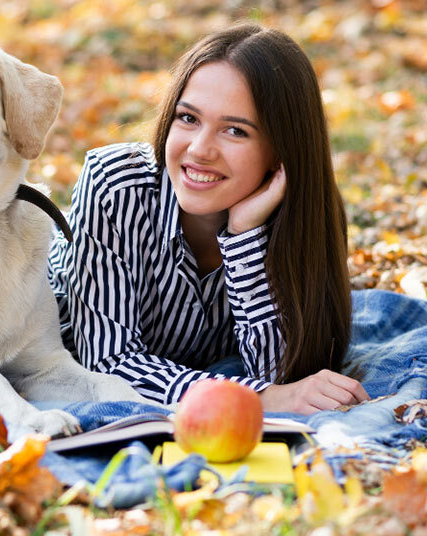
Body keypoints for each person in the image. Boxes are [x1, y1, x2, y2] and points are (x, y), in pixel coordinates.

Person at [47, 22, 371, 414]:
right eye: (188, 119)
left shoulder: (301, 218)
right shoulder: (116, 187)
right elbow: (108, 366)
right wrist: (259, 398)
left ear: (281, 151)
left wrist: (244, 237)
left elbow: (288, 375)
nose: (199, 150)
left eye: (235, 130)